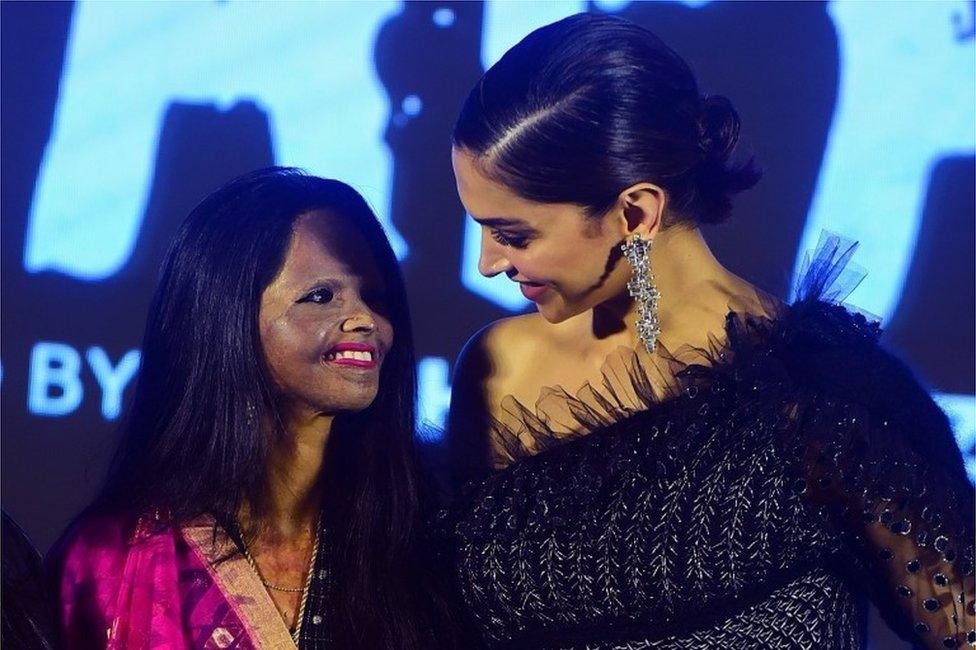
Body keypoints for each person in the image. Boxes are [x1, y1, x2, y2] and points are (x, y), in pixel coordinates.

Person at [439, 13, 975, 649]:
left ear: (635, 213)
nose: (487, 263)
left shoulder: (828, 398)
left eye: (513, 234)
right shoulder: (499, 369)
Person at [48, 168, 453, 649]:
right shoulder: (112, 560)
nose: (366, 320)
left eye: (375, 296)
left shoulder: (422, 542)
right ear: (227, 318)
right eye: (320, 296)